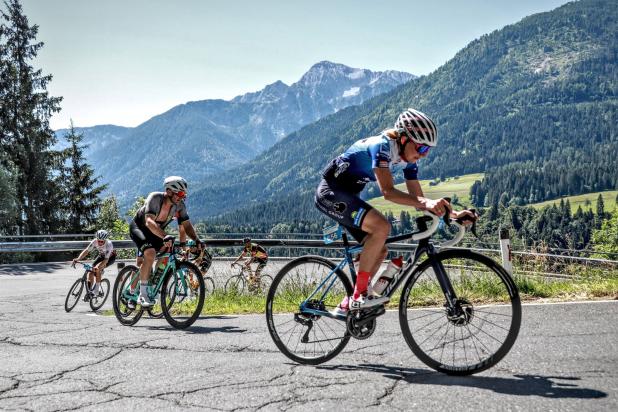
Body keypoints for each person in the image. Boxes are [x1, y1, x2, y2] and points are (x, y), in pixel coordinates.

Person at [315, 108, 476, 313]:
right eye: (420, 148)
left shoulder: (408, 157)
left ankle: (348, 303)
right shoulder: (381, 147)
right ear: (403, 138)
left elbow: (419, 200)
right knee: (382, 227)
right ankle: (358, 296)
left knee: (380, 250)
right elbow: (388, 192)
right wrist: (427, 203)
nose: (422, 155)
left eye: (427, 150)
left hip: (349, 196)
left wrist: (450, 214)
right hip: (330, 193)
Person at [129, 176, 205, 308]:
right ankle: (142, 293)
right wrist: (165, 236)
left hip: (156, 232)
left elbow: (186, 225)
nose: (182, 197)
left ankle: (153, 284)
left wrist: (196, 240)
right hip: (139, 228)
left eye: (184, 194)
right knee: (150, 253)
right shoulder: (155, 198)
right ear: (169, 191)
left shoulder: (179, 206)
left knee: (167, 254)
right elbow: (149, 222)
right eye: (180, 194)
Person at [72, 230, 116, 301]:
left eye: (102, 241)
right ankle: (89, 293)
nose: (100, 243)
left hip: (109, 258)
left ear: (105, 240)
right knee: (90, 271)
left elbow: (106, 260)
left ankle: (96, 290)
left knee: (98, 268)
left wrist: (99, 267)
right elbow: (86, 251)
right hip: (101, 256)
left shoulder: (109, 244)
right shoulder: (94, 241)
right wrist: (78, 259)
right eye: (99, 241)